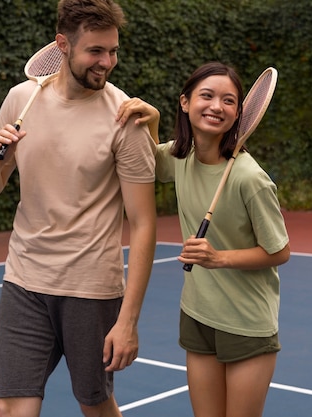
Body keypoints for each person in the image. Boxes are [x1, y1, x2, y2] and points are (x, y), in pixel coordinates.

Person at [0, 1, 157, 416]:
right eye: (95, 51)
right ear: (63, 45)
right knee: (9, 408)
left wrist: (127, 321)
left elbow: (143, 224)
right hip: (24, 279)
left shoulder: (125, 117)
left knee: (94, 405)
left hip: (90, 289)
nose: (106, 62)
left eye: (113, 51)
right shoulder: (21, 100)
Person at [117, 62, 291, 417]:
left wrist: (219, 258)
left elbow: (279, 251)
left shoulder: (249, 178)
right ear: (185, 102)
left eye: (228, 101)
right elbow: (149, 162)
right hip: (197, 313)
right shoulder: (182, 157)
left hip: (246, 322)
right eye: (207, 96)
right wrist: (152, 118)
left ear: (238, 113)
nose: (216, 106)